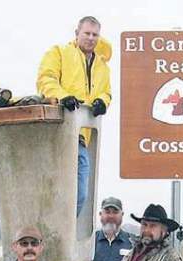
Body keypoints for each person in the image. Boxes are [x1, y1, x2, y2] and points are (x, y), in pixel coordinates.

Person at [37, 16, 112, 215]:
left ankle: (65, 237)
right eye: (86, 33)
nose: (90, 38)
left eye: (95, 34)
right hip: (56, 133)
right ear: (76, 33)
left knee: (80, 194)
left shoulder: (102, 66)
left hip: (81, 137)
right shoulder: (59, 52)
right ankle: (51, 234)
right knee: (52, 191)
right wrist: (63, 97)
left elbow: (106, 92)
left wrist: (103, 102)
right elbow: (46, 79)